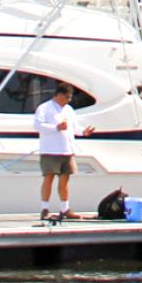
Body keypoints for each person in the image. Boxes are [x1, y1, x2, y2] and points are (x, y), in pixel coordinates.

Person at [35, 83, 96, 220]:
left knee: (64, 179)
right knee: (49, 178)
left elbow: (74, 127)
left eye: (70, 98)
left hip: (67, 150)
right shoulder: (44, 108)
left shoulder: (69, 110)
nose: (69, 100)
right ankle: (45, 209)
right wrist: (56, 127)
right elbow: (38, 126)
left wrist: (84, 132)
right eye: (67, 97)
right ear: (59, 94)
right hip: (50, 150)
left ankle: (65, 209)